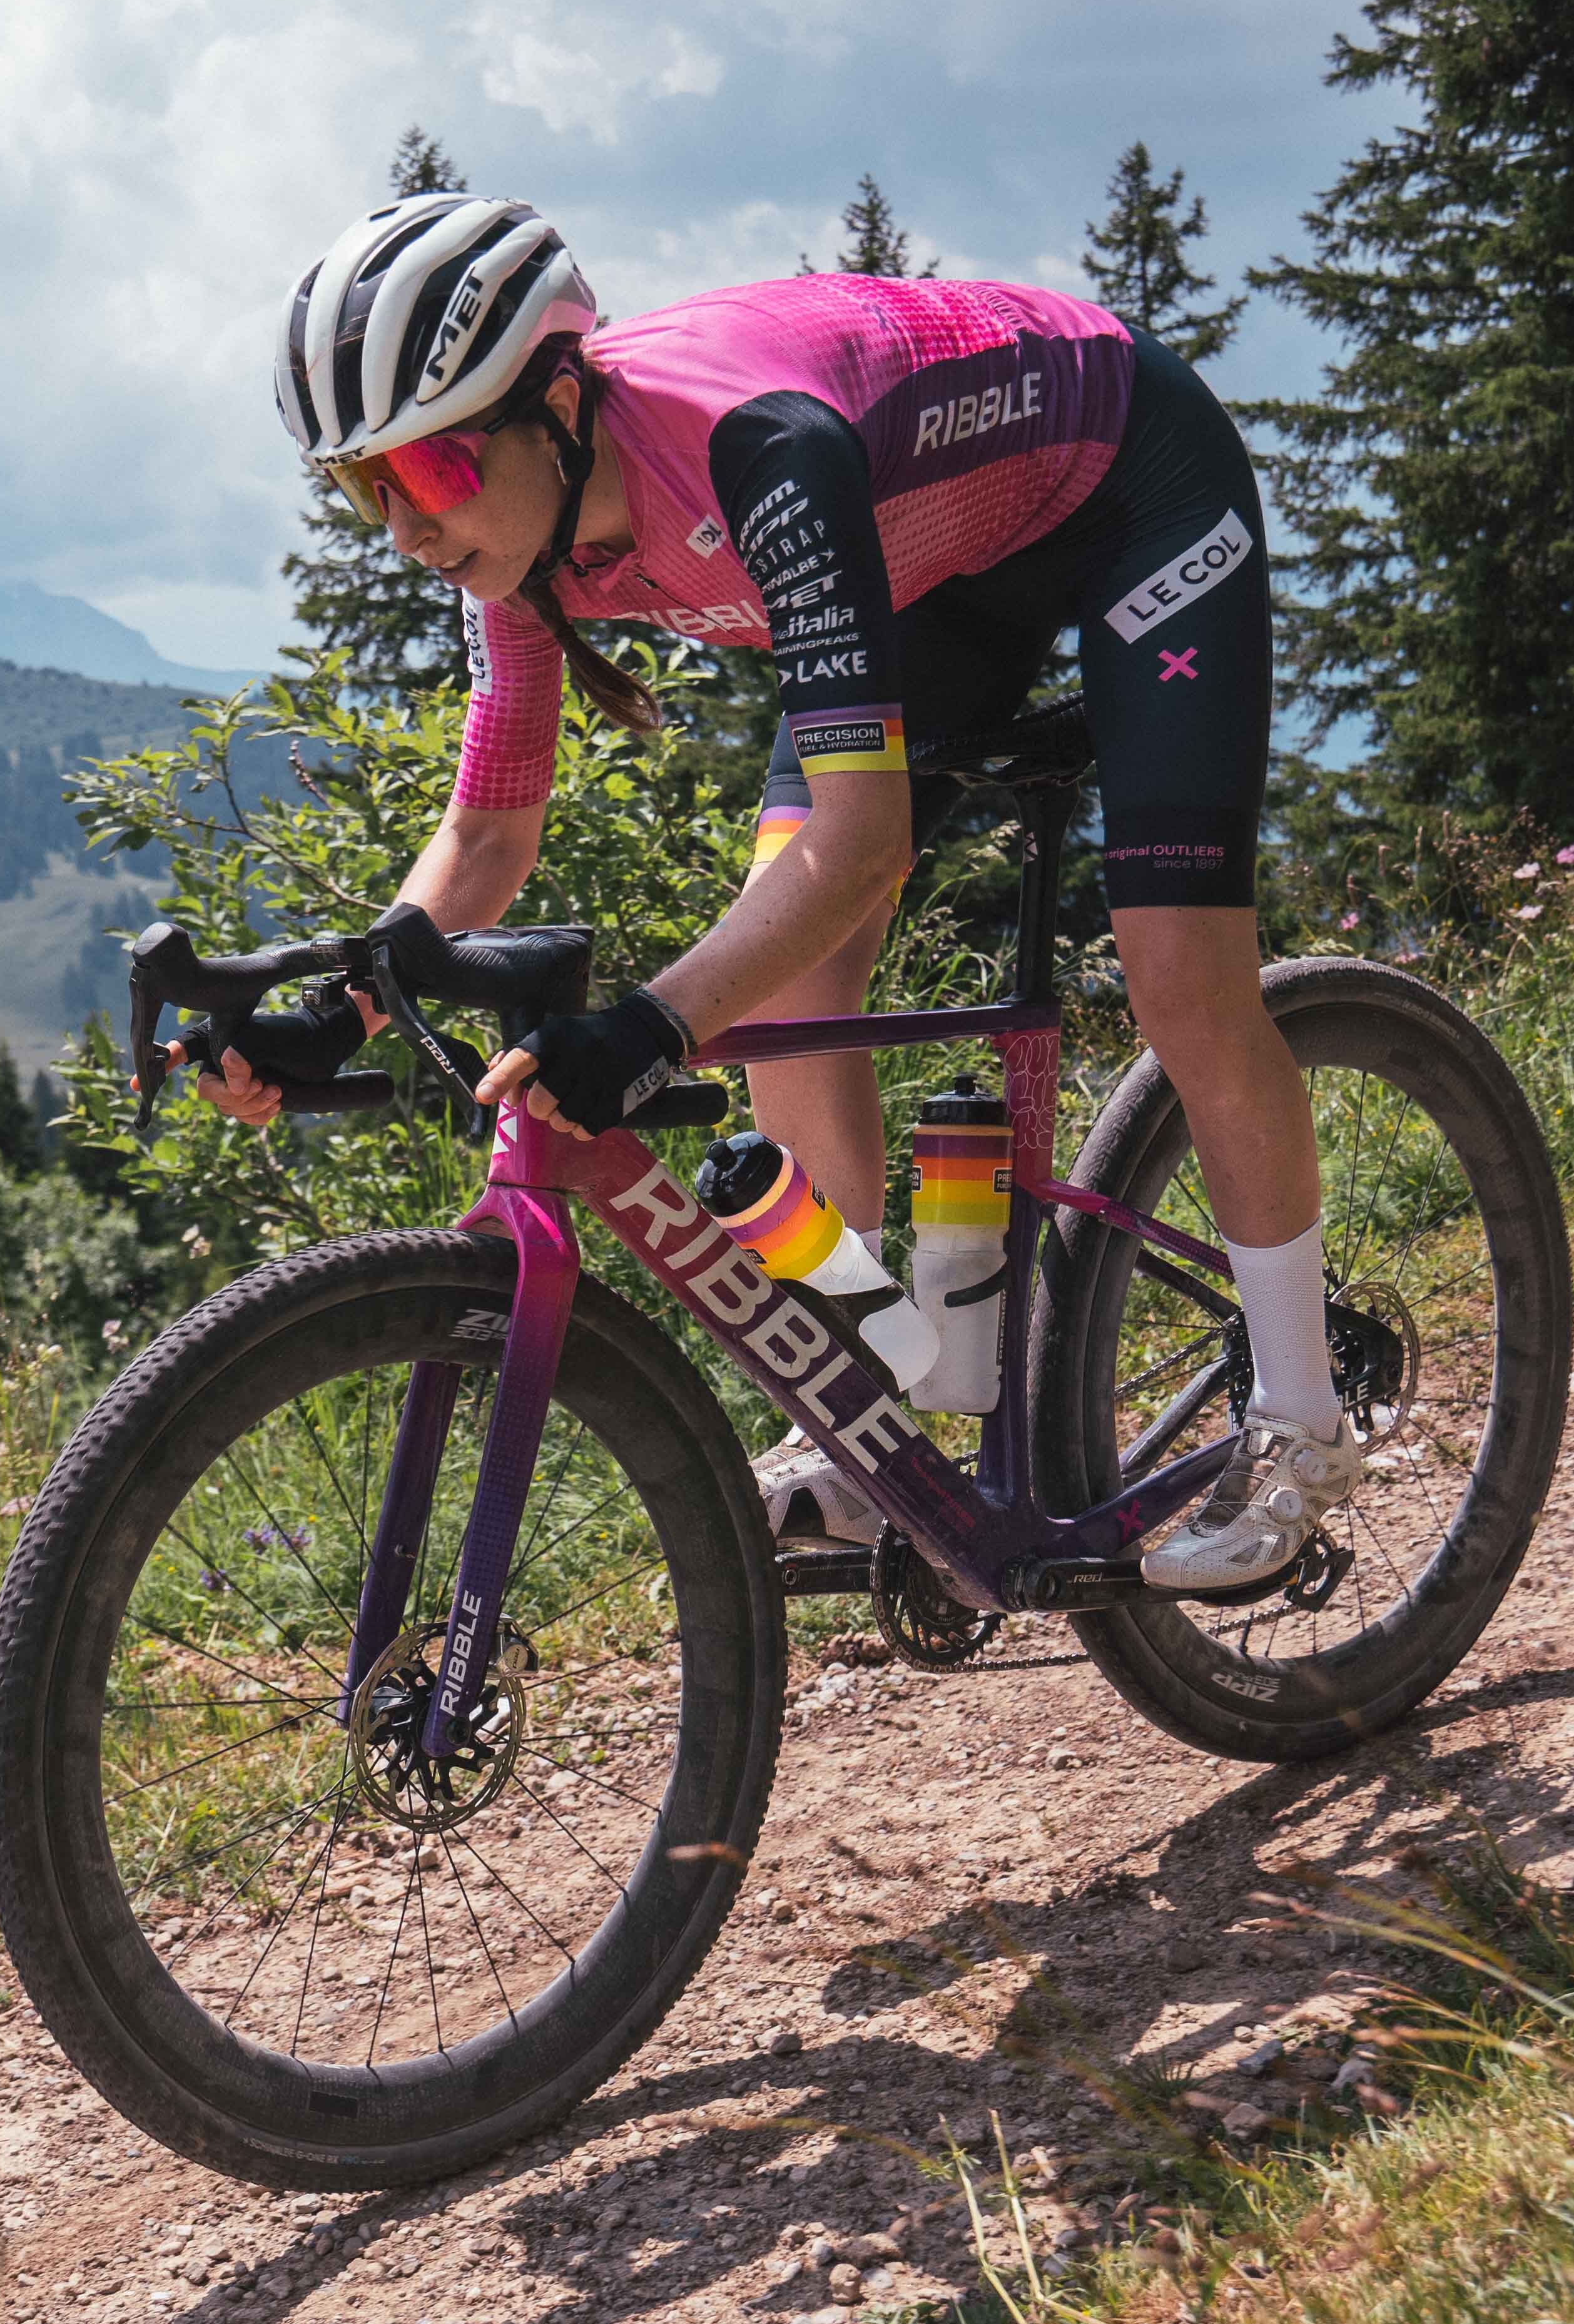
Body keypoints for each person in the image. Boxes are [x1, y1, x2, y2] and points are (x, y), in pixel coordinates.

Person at [208, 191, 1345, 1596]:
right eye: (361, 487)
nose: (401, 528)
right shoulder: (513, 541)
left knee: (1180, 978)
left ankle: (1302, 1417)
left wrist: (647, 1026)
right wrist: (342, 1011)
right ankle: (876, 1426)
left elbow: (861, 846)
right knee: (793, 986)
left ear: (557, 404)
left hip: (1127, 493)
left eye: (430, 473)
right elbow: (490, 836)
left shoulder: (756, 453)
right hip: (928, 570)